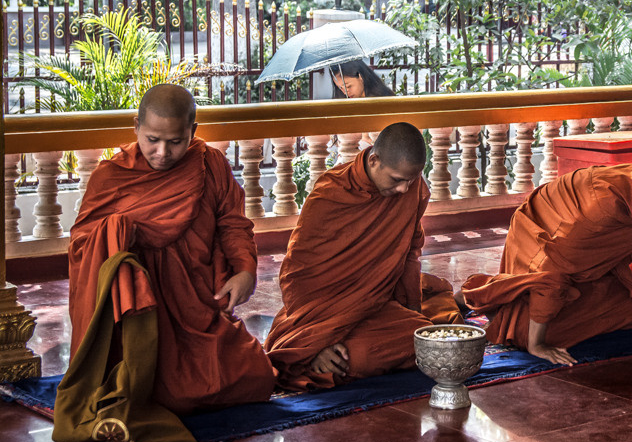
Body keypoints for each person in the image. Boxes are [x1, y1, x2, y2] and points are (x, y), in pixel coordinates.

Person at [64, 85, 275, 416]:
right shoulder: (112, 176)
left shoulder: (210, 165)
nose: (162, 152)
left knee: (258, 377)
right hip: (140, 313)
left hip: (197, 303)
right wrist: (118, 234)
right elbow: (82, 244)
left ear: (192, 131)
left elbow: (233, 224)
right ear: (136, 127)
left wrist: (246, 270)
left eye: (176, 141)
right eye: (152, 140)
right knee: (168, 393)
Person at [265, 122, 463, 391]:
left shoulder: (410, 190)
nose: (405, 190)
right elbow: (296, 273)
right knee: (354, 357)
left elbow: (409, 253)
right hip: (322, 311)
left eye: (411, 180)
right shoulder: (330, 195)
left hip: (375, 305)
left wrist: (413, 313)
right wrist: (318, 343)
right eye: (396, 180)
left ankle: (329, 350)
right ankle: (309, 350)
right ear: (374, 160)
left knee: (421, 340)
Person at [460, 163, 632, 366]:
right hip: (541, 244)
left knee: (628, 314)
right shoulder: (597, 216)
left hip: (579, 262)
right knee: (527, 335)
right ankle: (490, 299)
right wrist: (537, 345)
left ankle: (509, 306)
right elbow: (551, 276)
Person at [330, 59, 395, 99]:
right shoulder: (341, 104)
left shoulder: (384, 100)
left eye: (348, 86)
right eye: (340, 88)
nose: (345, 93)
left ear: (360, 77)